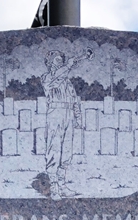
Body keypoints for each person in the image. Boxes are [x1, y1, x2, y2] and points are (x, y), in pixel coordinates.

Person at [42, 48, 92, 199]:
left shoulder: (68, 82)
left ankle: (62, 186)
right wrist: (68, 66)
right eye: (57, 61)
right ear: (50, 63)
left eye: (62, 61)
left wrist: (78, 118)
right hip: (55, 114)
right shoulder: (46, 77)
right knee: (54, 150)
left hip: (68, 115)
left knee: (66, 153)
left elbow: (74, 100)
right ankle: (54, 188)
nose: (61, 63)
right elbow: (53, 81)